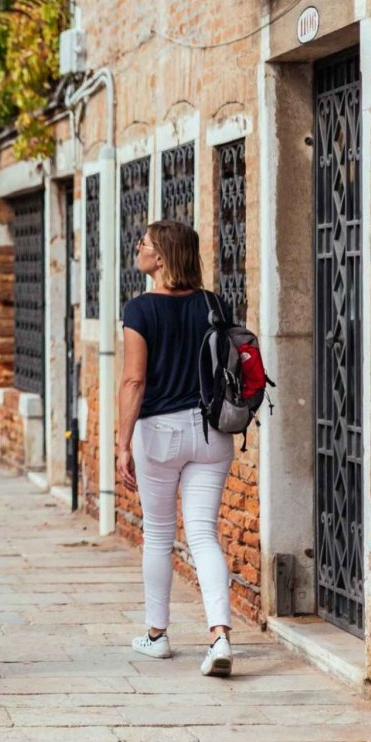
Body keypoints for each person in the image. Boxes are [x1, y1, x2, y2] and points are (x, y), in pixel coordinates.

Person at [116, 219, 236, 677]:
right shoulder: (213, 303)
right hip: (211, 432)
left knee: (160, 536)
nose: (138, 248)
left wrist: (122, 443)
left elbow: (133, 380)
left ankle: (157, 636)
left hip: (160, 432)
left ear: (161, 257)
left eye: (143, 243)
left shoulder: (140, 309)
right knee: (203, 534)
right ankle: (219, 635)